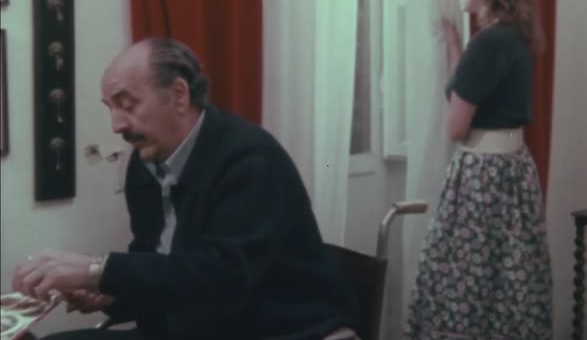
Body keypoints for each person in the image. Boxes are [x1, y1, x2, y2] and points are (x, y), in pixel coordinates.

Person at [12, 37, 360, 340]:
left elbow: (223, 278)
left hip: (275, 330)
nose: (116, 124)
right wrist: (110, 292)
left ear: (179, 95)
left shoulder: (251, 160)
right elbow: (159, 265)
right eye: (111, 108)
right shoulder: (144, 162)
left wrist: (98, 270)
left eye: (127, 104)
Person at [404, 0, 553, 339]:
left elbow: (456, 126)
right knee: (508, 280)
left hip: (482, 174)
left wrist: (462, 53)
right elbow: (472, 88)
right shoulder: (514, 35)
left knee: (462, 276)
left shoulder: (488, 44)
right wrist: (455, 46)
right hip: (513, 169)